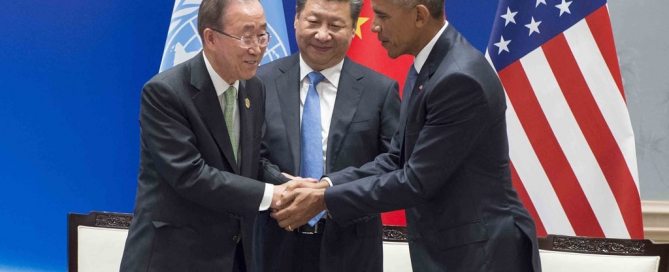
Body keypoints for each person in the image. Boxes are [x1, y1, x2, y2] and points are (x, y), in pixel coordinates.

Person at [271, 0, 542, 271]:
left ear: (419, 16)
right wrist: (327, 185)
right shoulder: (428, 67)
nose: (374, 27)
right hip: (455, 248)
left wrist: (323, 200)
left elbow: (415, 181)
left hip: (482, 253)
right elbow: (395, 159)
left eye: (382, 16)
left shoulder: (459, 78)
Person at [119, 0, 292, 271]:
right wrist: (274, 194)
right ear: (210, 38)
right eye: (246, 36)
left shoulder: (254, 88)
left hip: (235, 256)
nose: (257, 48)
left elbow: (251, 161)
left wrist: (289, 185)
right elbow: (190, 175)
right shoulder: (165, 92)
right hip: (174, 258)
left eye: (262, 34)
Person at [254, 0, 400, 271]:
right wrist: (290, 190)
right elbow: (247, 154)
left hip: (352, 249)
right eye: (313, 22)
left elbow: (394, 163)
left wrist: (329, 189)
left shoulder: (379, 90)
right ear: (296, 19)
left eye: (335, 25)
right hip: (274, 241)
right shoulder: (258, 82)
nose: (323, 34)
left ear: (353, 28)